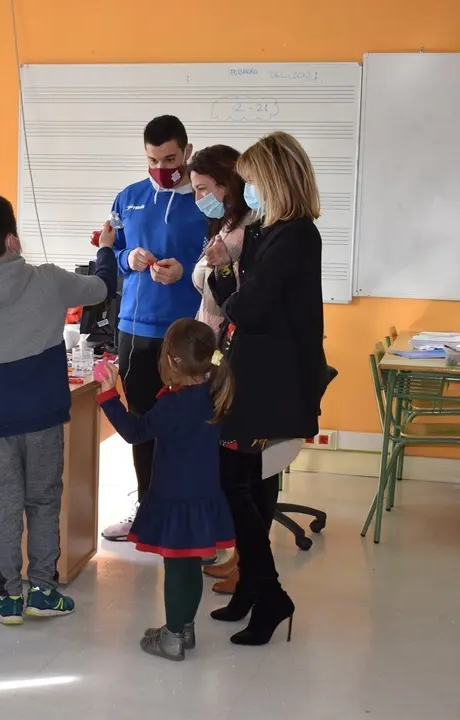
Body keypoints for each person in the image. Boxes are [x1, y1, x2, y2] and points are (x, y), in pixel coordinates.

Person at [0, 192, 117, 625]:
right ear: (12, 238)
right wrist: (106, 250)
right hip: (43, 415)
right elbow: (101, 288)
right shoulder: (48, 279)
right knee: (42, 500)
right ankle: (43, 589)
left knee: (2, 506)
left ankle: (7, 596)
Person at [207, 131, 326, 646]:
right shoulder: (269, 232)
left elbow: (245, 306)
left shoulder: (296, 235)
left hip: (268, 389)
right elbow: (235, 294)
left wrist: (228, 279)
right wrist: (230, 279)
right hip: (250, 380)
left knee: (234, 484)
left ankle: (269, 592)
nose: (246, 191)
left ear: (274, 180)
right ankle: (257, 590)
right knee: (245, 486)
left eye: (252, 182)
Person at [97, 318, 237, 661]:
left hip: (175, 499)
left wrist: (109, 395)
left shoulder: (174, 405)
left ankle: (173, 636)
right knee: (190, 566)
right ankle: (184, 626)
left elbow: (135, 432)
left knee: (176, 569)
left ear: (173, 361)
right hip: (203, 497)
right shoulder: (214, 392)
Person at [101, 116, 208, 542]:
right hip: (134, 328)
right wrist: (129, 260)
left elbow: (219, 262)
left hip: (186, 332)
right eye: (152, 159)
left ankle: (186, 514)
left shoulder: (205, 203)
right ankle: (146, 510)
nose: (162, 167)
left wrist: (184, 272)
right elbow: (114, 247)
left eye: (169, 158)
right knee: (141, 423)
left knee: (188, 426)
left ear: (186, 151)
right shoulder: (129, 197)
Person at [188, 144, 256, 594]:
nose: (199, 199)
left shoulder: (251, 227)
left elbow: (233, 292)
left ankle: (241, 561)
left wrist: (219, 267)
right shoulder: (226, 223)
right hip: (209, 338)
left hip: (226, 347)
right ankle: (230, 554)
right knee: (215, 459)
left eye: (204, 189)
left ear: (227, 183)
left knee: (231, 464)